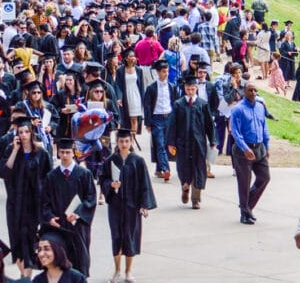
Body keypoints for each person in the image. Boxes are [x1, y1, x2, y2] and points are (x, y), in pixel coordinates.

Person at [100, 128, 156, 283]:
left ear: (131, 142)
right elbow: (102, 179)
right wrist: (110, 184)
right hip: (115, 206)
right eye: (121, 141)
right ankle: (117, 270)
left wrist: (145, 204)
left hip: (132, 205)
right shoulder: (110, 160)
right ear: (117, 143)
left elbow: (145, 184)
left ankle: (128, 270)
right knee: (117, 236)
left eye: (126, 141)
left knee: (130, 236)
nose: (124, 144)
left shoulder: (137, 161)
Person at [0, 118, 52, 279]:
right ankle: (23, 276)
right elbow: (4, 173)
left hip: (34, 204)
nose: (23, 135)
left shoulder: (41, 153)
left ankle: (27, 277)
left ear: (31, 133)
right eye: (20, 132)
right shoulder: (11, 150)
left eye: (26, 132)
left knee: (30, 240)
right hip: (15, 203)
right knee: (16, 241)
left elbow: (48, 177)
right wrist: (15, 150)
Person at [41, 138, 97, 277]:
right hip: (59, 225)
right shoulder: (51, 176)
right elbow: (44, 202)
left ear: (73, 153)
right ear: (58, 154)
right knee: (60, 257)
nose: (65, 155)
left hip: (78, 224)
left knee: (80, 256)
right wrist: (50, 217)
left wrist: (78, 213)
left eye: (68, 152)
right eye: (62, 152)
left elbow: (91, 198)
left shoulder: (84, 174)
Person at [166, 74, 216, 209]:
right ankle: (185, 186)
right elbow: (172, 124)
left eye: (193, 89)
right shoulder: (178, 104)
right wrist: (171, 143)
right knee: (183, 168)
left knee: (199, 169)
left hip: (198, 143)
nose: (190, 91)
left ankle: (195, 199)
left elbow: (209, 124)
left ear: (196, 89)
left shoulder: (202, 104)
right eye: (188, 89)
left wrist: (212, 140)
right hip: (183, 143)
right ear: (184, 88)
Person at [229, 80, 271, 225]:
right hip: (243, 150)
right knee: (244, 183)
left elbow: (264, 126)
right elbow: (235, 132)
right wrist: (245, 149)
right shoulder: (238, 109)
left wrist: (267, 145)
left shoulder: (260, 107)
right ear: (243, 92)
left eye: (255, 90)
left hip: (259, 148)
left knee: (264, 177)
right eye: (250, 90)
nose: (253, 93)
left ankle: (247, 206)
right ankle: (245, 214)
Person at [143, 59, 177, 182]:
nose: (166, 74)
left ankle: (158, 169)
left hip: (169, 117)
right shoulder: (151, 88)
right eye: (163, 71)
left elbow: (174, 103)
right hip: (157, 118)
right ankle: (166, 169)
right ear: (158, 73)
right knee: (160, 144)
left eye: (167, 71)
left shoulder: (172, 87)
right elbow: (147, 106)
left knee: (166, 144)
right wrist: (147, 122)